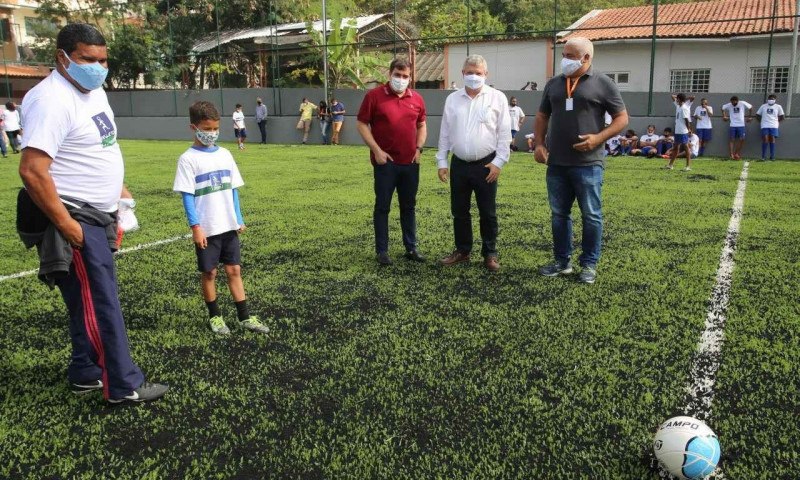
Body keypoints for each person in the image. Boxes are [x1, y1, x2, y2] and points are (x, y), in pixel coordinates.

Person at [16, 23, 168, 403]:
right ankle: (123, 385)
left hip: (99, 212)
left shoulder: (94, 90)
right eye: (88, 59)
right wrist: (68, 227)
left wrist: (117, 189)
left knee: (89, 297)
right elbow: (33, 170)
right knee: (100, 299)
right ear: (62, 58)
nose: (98, 67)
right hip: (74, 215)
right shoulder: (51, 99)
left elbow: (101, 143)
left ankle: (86, 371)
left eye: (103, 60)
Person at [534, 36, 628, 284]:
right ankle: (562, 262)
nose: (564, 60)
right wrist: (540, 144)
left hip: (588, 163)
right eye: (564, 54)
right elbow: (543, 115)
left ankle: (589, 265)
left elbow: (622, 119)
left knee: (591, 215)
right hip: (557, 164)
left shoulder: (604, 83)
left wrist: (598, 138)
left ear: (587, 58)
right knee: (559, 214)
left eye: (570, 56)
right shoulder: (554, 83)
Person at [173, 101, 269, 336]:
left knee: (234, 270)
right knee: (210, 273)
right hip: (207, 228)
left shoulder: (225, 154)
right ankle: (215, 317)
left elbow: (233, 189)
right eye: (206, 129)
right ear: (193, 127)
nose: (212, 133)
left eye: (215, 128)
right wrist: (196, 227)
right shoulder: (187, 159)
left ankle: (244, 317)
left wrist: (238, 217)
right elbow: (187, 196)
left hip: (228, 225)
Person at [437, 54, 512, 272]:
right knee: (459, 210)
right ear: (462, 73)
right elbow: (445, 133)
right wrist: (442, 161)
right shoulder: (452, 99)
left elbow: (504, 133)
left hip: (486, 164)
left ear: (486, 75)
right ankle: (462, 251)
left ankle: (490, 253)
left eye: (478, 73)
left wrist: (498, 162)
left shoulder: (497, 98)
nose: (473, 76)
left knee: (487, 211)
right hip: (459, 163)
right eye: (469, 72)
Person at [357, 58, 427, 265]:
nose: (401, 79)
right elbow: (361, 124)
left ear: (410, 77)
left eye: (405, 76)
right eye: (398, 75)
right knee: (383, 207)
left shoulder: (417, 99)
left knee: (409, 207)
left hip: (410, 163)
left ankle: (411, 248)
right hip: (385, 163)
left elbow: (422, 124)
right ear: (390, 74)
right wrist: (377, 151)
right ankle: (382, 251)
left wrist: (419, 149)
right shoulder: (374, 96)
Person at [665, 92, 692, 171]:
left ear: (679, 99)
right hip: (677, 131)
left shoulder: (684, 108)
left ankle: (688, 166)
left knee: (686, 147)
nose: (676, 99)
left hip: (683, 131)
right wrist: (683, 97)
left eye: (677, 99)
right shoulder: (678, 106)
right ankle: (670, 165)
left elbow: (687, 120)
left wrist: (689, 129)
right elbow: (672, 96)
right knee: (676, 148)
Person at [756, 94, 785, 161]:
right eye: (769, 99)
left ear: (775, 100)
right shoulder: (763, 106)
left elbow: (782, 116)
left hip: (774, 125)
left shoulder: (778, 107)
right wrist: (761, 121)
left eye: (772, 99)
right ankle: (763, 156)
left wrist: (776, 121)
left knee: (772, 139)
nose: (771, 100)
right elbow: (757, 115)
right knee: (765, 139)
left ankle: (772, 156)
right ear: (767, 99)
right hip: (765, 125)